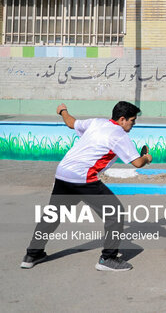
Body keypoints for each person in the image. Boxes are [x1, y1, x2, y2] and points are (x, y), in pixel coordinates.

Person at [21, 101, 153, 272]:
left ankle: (32, 254)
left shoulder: (96, 122)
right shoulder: (119, 135)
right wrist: (148, 158)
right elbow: (137, 162)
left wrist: (63, 110)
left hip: (63, 173)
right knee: (115, 213)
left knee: (53, 215)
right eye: (132, 120)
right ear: (122, 119)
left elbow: (70, 122)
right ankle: (108, 258)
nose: (133, 124)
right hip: (83, 178)